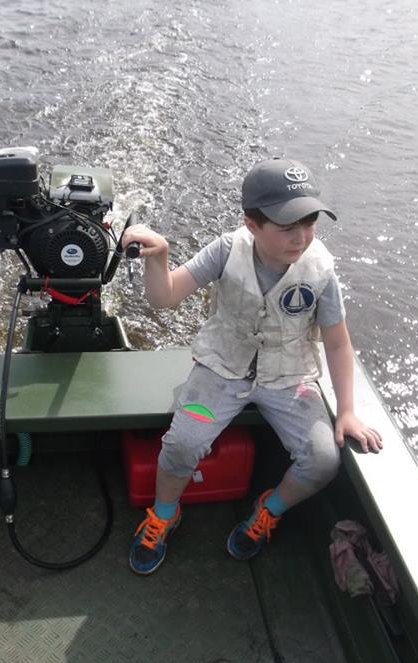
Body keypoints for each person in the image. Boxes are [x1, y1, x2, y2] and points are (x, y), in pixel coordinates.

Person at [122, 157, 383, 576]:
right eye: (287, 226)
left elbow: (337, 342)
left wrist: (347, 410)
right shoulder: (227, 250)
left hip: (290, 379)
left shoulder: (320, 269)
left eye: (310, 223)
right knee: (183, 443)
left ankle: (269, 509)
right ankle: (165, 514)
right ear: (251, 224)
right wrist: (160, 257)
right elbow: (165, 297)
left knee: (323, 459)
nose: (301, 237)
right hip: (220, 370)